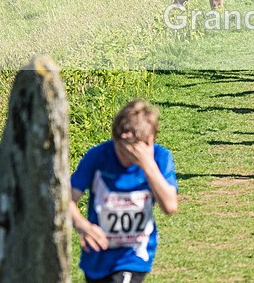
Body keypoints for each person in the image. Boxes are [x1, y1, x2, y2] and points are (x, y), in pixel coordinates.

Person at [70, 99, 178, 283]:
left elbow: (170, 205)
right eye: (125, 151)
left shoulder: (160, 157)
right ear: (116, 140)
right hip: (97, 257)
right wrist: (83, 226)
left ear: (150, 140)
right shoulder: (97, 157)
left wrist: (147, 164)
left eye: (137, 149)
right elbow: (64, 200)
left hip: (134, 255)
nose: (129, 159)